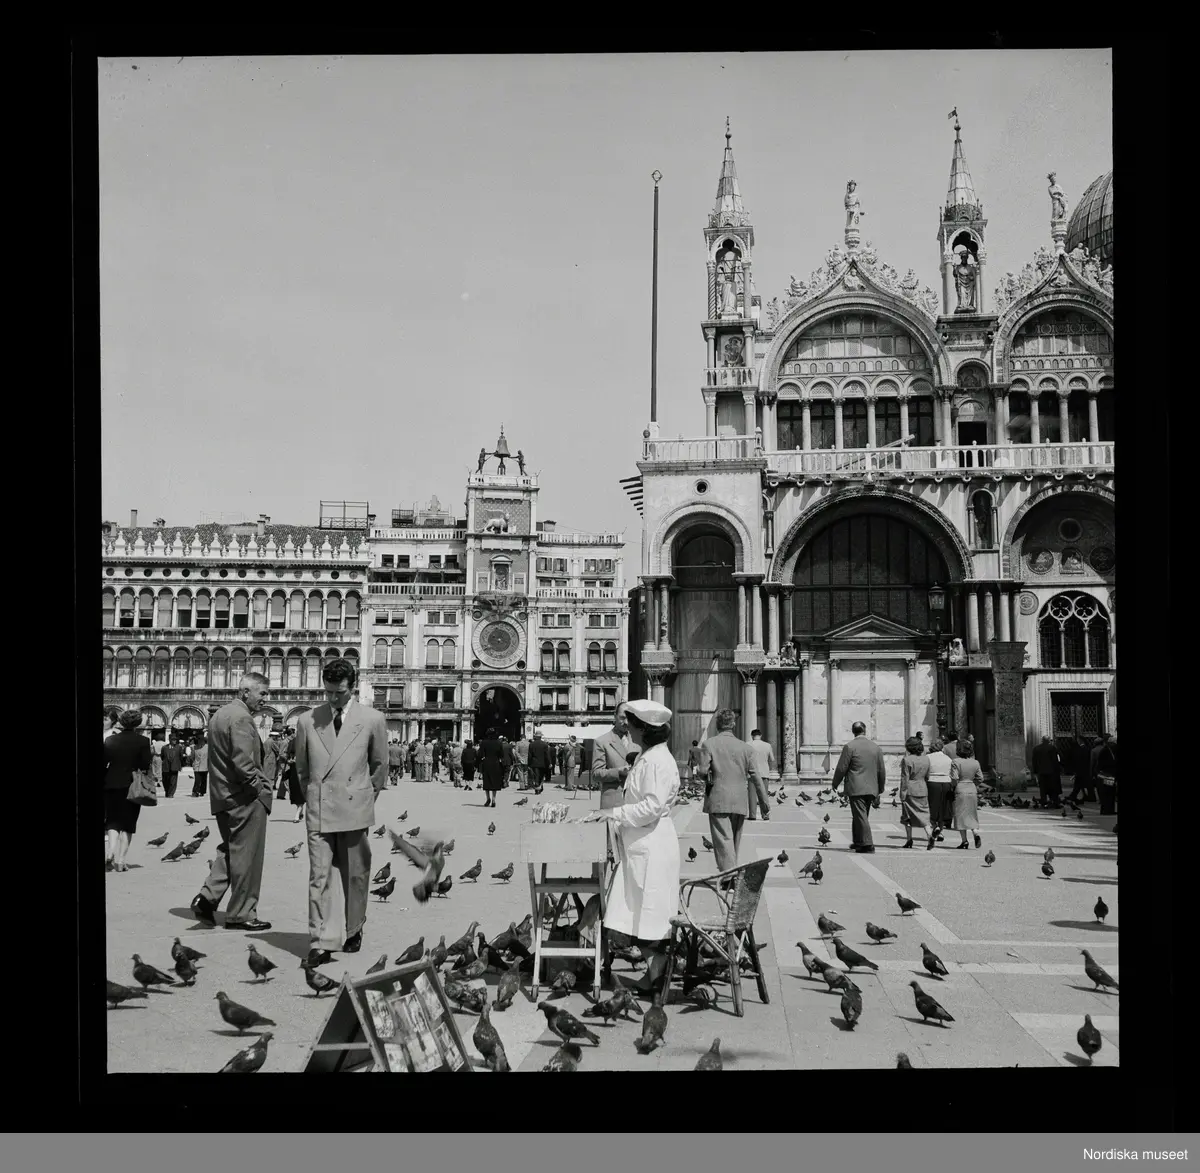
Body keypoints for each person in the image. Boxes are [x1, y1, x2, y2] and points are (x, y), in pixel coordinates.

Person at [294, 657, 388, 968]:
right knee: (319, 876)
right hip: (320, 808)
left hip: (354, 807)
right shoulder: (307, 721)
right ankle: (322, 940)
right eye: (329, 692)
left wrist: (363, 797)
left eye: (340, 692)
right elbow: (302, 769)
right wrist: (314, 795)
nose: (333, 698)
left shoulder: (373, 719)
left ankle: (354, 928)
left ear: (353, 687)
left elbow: (379, 767)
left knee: (355, 874)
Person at [584, 699, 681, 998]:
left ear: (644, 730)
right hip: (643, 843)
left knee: (650, 910)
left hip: (650, 845)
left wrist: (614, 813)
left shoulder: (655, 762)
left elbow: (651, 806)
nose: (628, 727)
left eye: (633, 724)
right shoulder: (648, 757)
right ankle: (654, 973)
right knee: (640, 909)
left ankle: (657, 975)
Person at [190, 673, 276, 933]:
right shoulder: (241, 717)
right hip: (243, 798)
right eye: (262, 693)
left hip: (222, 795)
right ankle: (241, 914)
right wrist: (258, 789)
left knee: (231, 849)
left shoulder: (220, 714)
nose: (266, 698)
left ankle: (207, 898)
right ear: (245, 692)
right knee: (248, 857)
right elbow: (243, 761)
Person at [697, 708, 766, 875]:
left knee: (723, 841)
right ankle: (731, 874)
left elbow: (703, 772)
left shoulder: (709, 744)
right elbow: (756, 777)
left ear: (717, 725)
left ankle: (729, 876)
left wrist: (704, 774)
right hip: (739, 800)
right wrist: (764, 804)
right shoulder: (746, 748)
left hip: (718, 798)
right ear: (733, 724)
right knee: (734, 842)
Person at [104, 709, 153, 872]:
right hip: (133, 785)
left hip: (111, 783)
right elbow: (145, 764)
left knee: (112, 820)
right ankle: (120, 861)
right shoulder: (143, 741)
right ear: (138, 723)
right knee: (128, 823)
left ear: (121, 722)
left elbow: (103, 762)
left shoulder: (110, 740)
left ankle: (110, 852)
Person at [831, 721, 887, 853]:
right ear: (865, 731)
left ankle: (867, 844)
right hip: (872, 786)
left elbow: (842, 768)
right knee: (861, 814)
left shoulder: (850, 746)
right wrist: (881, 787)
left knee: (860, 815)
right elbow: (881, 770)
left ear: (853, 731)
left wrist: (835, 783)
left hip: (856, 787)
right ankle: (858, 841)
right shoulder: (875, 747)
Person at [590, 702, 634, 811]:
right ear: (615, 716)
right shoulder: (602, 741)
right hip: (613, 803)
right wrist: (618, 772)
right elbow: (596, 774)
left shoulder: (638, 740)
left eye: (629, 718)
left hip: (635, 804)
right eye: (622, 718)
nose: (626, 722)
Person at [899, 736, 933, 849]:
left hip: (910, 789)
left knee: (907, 815)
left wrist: (902, 793)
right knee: (924, 814)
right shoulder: (926, 759)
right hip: (922, 788)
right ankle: (929, 834)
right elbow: (927, 775)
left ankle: (909, 839)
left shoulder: (907, 760)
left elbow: (905, 778)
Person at [949, 738, 983, 849]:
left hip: (961, 789)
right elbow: (980, 778)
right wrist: (973, 783)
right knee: (971, 813)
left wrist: (954, 786)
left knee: (960, 815)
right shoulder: (975, 762)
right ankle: (975, 832)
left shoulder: (955, 762)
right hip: (972, 789)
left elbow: (954, 778)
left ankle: (964, 841)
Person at [925, 738, 954, 846]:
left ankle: (935, 827)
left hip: (933, 782)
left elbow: (925, 772)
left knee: (932, 808)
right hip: (946, 783)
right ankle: (940, 831)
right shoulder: (948, 759)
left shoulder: (928, 758)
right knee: (943, 808)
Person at [746, 729, 775, 822]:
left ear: (752, 736)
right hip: (764, 772)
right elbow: (772, 759)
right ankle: (765, 814)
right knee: (764, 794)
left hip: (752, 772)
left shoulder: (747, 745)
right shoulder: (767, 745)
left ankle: (752, 815)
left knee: (752, 795)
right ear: (761, 735)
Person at [478, 726, 507, 809]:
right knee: (495, 782)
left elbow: (480, 754)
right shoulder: (498, 743)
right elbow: (501, 754)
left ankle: (488, 798)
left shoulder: (484, 742)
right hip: (496, 763)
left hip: (486, 763)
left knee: (486, 781)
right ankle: (494, 799)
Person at [1031, 736, 1062, 808]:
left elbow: (1034, 761)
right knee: (1052, 787)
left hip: (1041, 772)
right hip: (1051, 772)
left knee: (1042, 788)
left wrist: (1035, 771)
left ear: (1042, 740)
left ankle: (1043, 801)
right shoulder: (1052, 748)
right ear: (1048, 741)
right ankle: (1053, 801)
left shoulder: (1036, 748)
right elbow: (1055, 760)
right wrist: (1058, 770)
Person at [1093, 733, 1117, 815]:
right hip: (1106, 775)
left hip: (1109, 775)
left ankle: (1109, 809)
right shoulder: (1105, 751)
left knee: (1110, 793)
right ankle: (1106, 810)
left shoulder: (1110, 750)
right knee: (1107, 793)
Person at [527, 729, 552, 795]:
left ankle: (537, 788)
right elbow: (547, 755)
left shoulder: (531, 744)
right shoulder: (544, 744)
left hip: (534, 763)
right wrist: (549, 763)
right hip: (543, 763)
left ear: (535, 736)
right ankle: (539, 786)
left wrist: (529, 764)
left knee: (536, 776)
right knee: (541, 775)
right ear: (541, 737)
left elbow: (529, 755)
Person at [161, 734, 183, 799]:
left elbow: (181, 756)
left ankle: (171, 793)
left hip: (175, 766)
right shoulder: (164, 747)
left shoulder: (179, 747)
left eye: (175, 739)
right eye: (173, 739)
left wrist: (180, 765)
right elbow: (162, 756)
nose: (174, 741)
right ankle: (167, 791)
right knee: (165, 780)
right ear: (170, 740)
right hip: (166, 766)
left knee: (173, 781)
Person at [191, 733, 209, 798]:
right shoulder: (194, 747)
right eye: (199, 740)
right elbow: (192, 757)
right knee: (197, 780)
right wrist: (193, 763)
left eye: (201, 740)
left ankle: (202, 791)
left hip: (205, 766)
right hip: (197, 766)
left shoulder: (208, 747)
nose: (200, 742)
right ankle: (195, 791)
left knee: (204, 780)